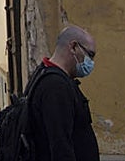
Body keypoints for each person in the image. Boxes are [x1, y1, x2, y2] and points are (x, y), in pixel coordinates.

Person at [28, 24, 100, 161]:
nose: (91, 62)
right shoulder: (56, 87)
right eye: (89, 55)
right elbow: (60, 145)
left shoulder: (45, 73)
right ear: (73, 47)